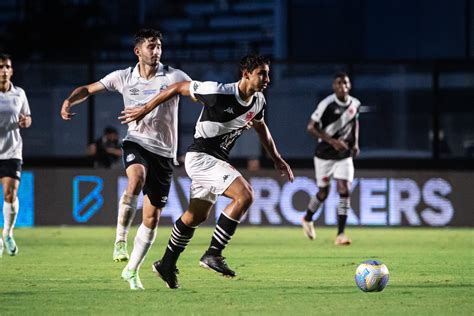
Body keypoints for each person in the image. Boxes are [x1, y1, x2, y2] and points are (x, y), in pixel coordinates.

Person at [120, 54, 294, 289]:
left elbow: (260, 126)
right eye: (261, 73)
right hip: (200, 157)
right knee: (246, 195)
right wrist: (144, 109)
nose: (267, 78)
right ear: (246, 74)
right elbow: (179, 87)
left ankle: (166, 264)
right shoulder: (218, 92)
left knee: (196, 216)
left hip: (216, 160)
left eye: (268, 73)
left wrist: (277, 158)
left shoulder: (258, 101)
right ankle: (213, 253)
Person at [60, 29, 191, 290]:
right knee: (137, 177)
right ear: (137, 51)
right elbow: (89, 88)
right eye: (151, 46)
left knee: (151, 219)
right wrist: (68, 101)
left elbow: (198, 91)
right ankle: (120, 239)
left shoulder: (174, 76)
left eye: (159, 47)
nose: (156, 51)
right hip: (136, 142)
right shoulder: (123, 77)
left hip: (164, 153)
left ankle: (131, 270)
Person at [301, 72, 360, 245]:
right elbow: (311, 127)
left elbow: (355, 122)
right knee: (323, 193)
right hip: (324, 155)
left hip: (344, 155)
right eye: (339, 84)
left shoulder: (355, 104)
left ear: (349, 85)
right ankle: (307, 218)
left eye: (345, 83)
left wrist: (355, 143)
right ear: (334, 86)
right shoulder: (326, 104)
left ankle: (340, 234)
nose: (343, 86)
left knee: (344, 189)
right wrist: (332, 141)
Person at [0, 53, 32, 258]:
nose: (3, 71)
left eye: (6, 67)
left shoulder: (19, 93)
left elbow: (27, 117)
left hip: (12, 151)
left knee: (10, 194)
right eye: (0, 67)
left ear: (11, 70)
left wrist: (25, 122)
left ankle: (8, 233)